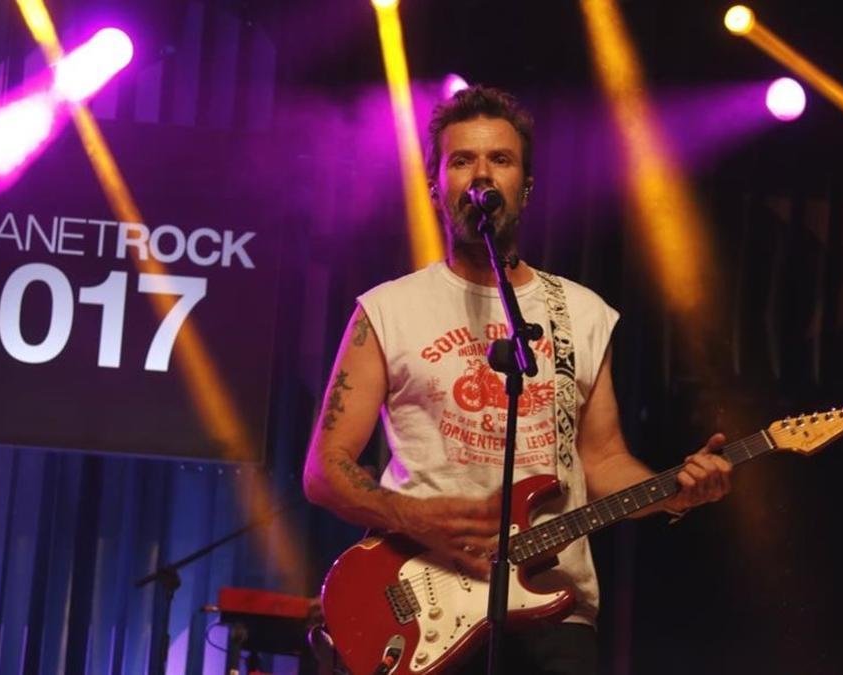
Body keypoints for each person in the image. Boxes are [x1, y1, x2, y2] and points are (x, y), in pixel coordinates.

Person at [302, 86, 732, 674]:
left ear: (525, 188)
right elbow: (325, 469)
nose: (482, 175)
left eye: (500, 160)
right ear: (436, 187)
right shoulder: (387, 310)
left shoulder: (579, 312)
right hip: (428, 606)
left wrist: (673, 490)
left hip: (555, 610)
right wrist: (416, 517)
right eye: (462, 161)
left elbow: (601, 462)